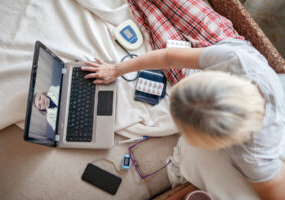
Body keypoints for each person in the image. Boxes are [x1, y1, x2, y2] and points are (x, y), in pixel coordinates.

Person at [80, 18, 285, 200]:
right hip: (221, 42)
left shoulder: (255, 157)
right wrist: (116, 69)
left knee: (145, 14)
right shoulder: (236, 59)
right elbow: (169, 57)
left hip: (216, 60)